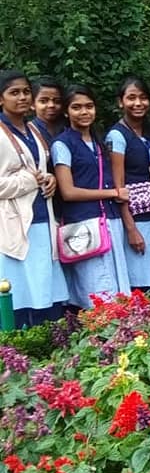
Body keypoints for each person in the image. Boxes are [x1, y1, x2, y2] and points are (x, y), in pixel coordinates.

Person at [52, 86, 131, 308]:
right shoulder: (62, 144)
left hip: (110, 221)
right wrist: (113, 193)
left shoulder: (99, 142)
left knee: (117, 288)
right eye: (76, 107)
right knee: (97, 291)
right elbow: (68, 191)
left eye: (89, 106)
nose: (84, 112)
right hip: (83, 226)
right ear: (66, 112)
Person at [0, 70, 68, 326]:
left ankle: (48, 341)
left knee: (44, 289)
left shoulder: (32, 129)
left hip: (42, 218)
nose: (22, 97)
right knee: (19, 290)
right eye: (14, 93)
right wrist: (30, 180)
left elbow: (39, 169)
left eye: (26, 92)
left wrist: (50, 179)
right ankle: (17, 344)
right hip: (14, 225)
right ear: (1, 99)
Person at [106, 76, 150, 291]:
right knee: (141, 283)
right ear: (121, 102)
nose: (138, 103)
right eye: (131, 98)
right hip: (136, 218)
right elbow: (118, 186)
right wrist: (131, 229)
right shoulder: (117, 136)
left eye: (143, 98)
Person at [30, 75, 65, 146]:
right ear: (32, 104)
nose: (51, 105)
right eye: (43, 101)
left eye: (57, 101)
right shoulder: (29, 131)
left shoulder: (68, 128)